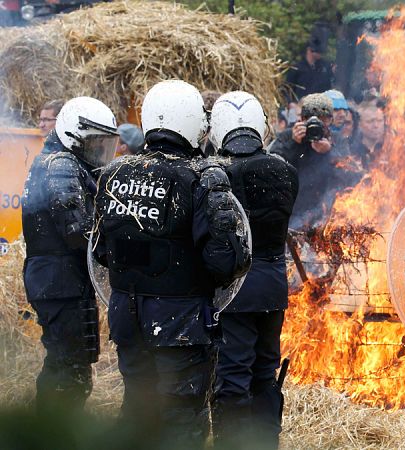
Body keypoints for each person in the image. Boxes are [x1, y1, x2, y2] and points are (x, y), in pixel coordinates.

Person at [92, 80, 251, 446]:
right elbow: (225, 260)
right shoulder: (202, 177)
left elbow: (101, 252)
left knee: (138, 410)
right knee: (183, 420)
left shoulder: (113, 174)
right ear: (194, 120)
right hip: (181, 323)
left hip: (126, 315)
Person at [209, 91, 298, 448]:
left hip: (234, 288)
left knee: (232, 376)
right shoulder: (286, 170)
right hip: (273, 285)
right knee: (265, 373)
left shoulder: (215, 173)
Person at [22, 96, 118, 411]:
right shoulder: (60, 166)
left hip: (60, 279)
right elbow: (80, 231)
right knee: (68, 370)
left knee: (72, 364)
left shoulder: (60, 161)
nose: (99, 150)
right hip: (59, 281)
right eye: (94, 143)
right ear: (74, 134)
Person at [268, 93, 337, 228]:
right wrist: (294, 144)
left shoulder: (336, 139)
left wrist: (328, 154)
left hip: (325, 210)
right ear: (302, 119)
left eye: (323, 119)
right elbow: (273, 168)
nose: (317, 124)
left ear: (330, 121)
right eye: (311, 119)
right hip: (294, 210)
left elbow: (348, 175)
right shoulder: (288, 136)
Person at [285, 36, 334, 101]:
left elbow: (328, 87)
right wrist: (291, 103)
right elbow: (287, 89)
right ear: (309, 50)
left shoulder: (324, 68)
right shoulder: (296, 68)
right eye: (318, 51)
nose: (320, 54)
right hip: (299, 105)